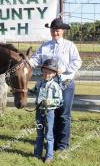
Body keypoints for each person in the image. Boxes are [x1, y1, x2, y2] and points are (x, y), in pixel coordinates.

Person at [29, 17, 82, 151]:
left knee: (64, 114)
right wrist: (27, 63)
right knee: (50, 113)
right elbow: (36, 58)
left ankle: (62, 145)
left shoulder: (69, 46)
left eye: (57, 30)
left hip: (65, 82)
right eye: (53, 30)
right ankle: (51, 141)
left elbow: (77, 62)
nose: (55, 32)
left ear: (63, 31)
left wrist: (63, 69)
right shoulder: (45, 46)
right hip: (49, 85)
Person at [33, 59, 63, 164]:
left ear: (54, 74)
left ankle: (49, 156)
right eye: (45, 72)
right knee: (39, 134)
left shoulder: (55, 86)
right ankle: (37, 154)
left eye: (49, 72)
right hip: (39, 112)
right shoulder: (39, 83)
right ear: (42, 71)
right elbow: (34, 91)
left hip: (49, 113)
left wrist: (49, 102)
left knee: (49, 135)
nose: (46, 74)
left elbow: (60, 101)